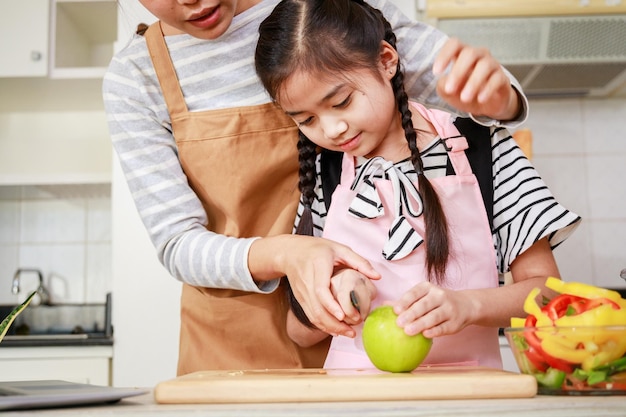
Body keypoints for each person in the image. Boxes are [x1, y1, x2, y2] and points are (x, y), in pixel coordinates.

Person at [103, 0, 529, 374]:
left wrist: (500, 99)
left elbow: (472, 88)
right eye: (304, 118)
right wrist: (289, 253)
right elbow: (177, 242)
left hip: (349, 344)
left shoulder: (327, 11)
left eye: (340, 102)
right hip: (233, 345)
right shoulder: (135, 77)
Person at [254, 0, 581, 369]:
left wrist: (469, 306)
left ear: (386, 60)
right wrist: (336, 297)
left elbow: (550, 294)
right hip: (352, 403)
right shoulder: (323, 171)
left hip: (469, 398)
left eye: (342, 101)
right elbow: (298, 332)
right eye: (307, 119)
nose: (331, 130)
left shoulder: (482, 148)